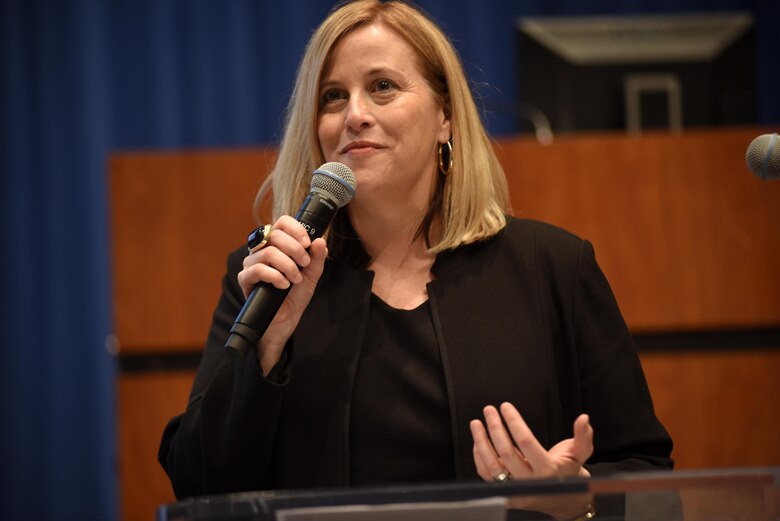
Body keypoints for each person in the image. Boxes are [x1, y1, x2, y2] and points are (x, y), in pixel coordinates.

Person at [158, 0, 673, 503]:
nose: (354, 114)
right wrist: (264, 353)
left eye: (382, 87)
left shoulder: (554, 269)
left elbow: (647, 474)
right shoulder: (272, 276)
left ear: (445, 116)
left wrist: (576, 500)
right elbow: (198, 485)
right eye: (333, 96)